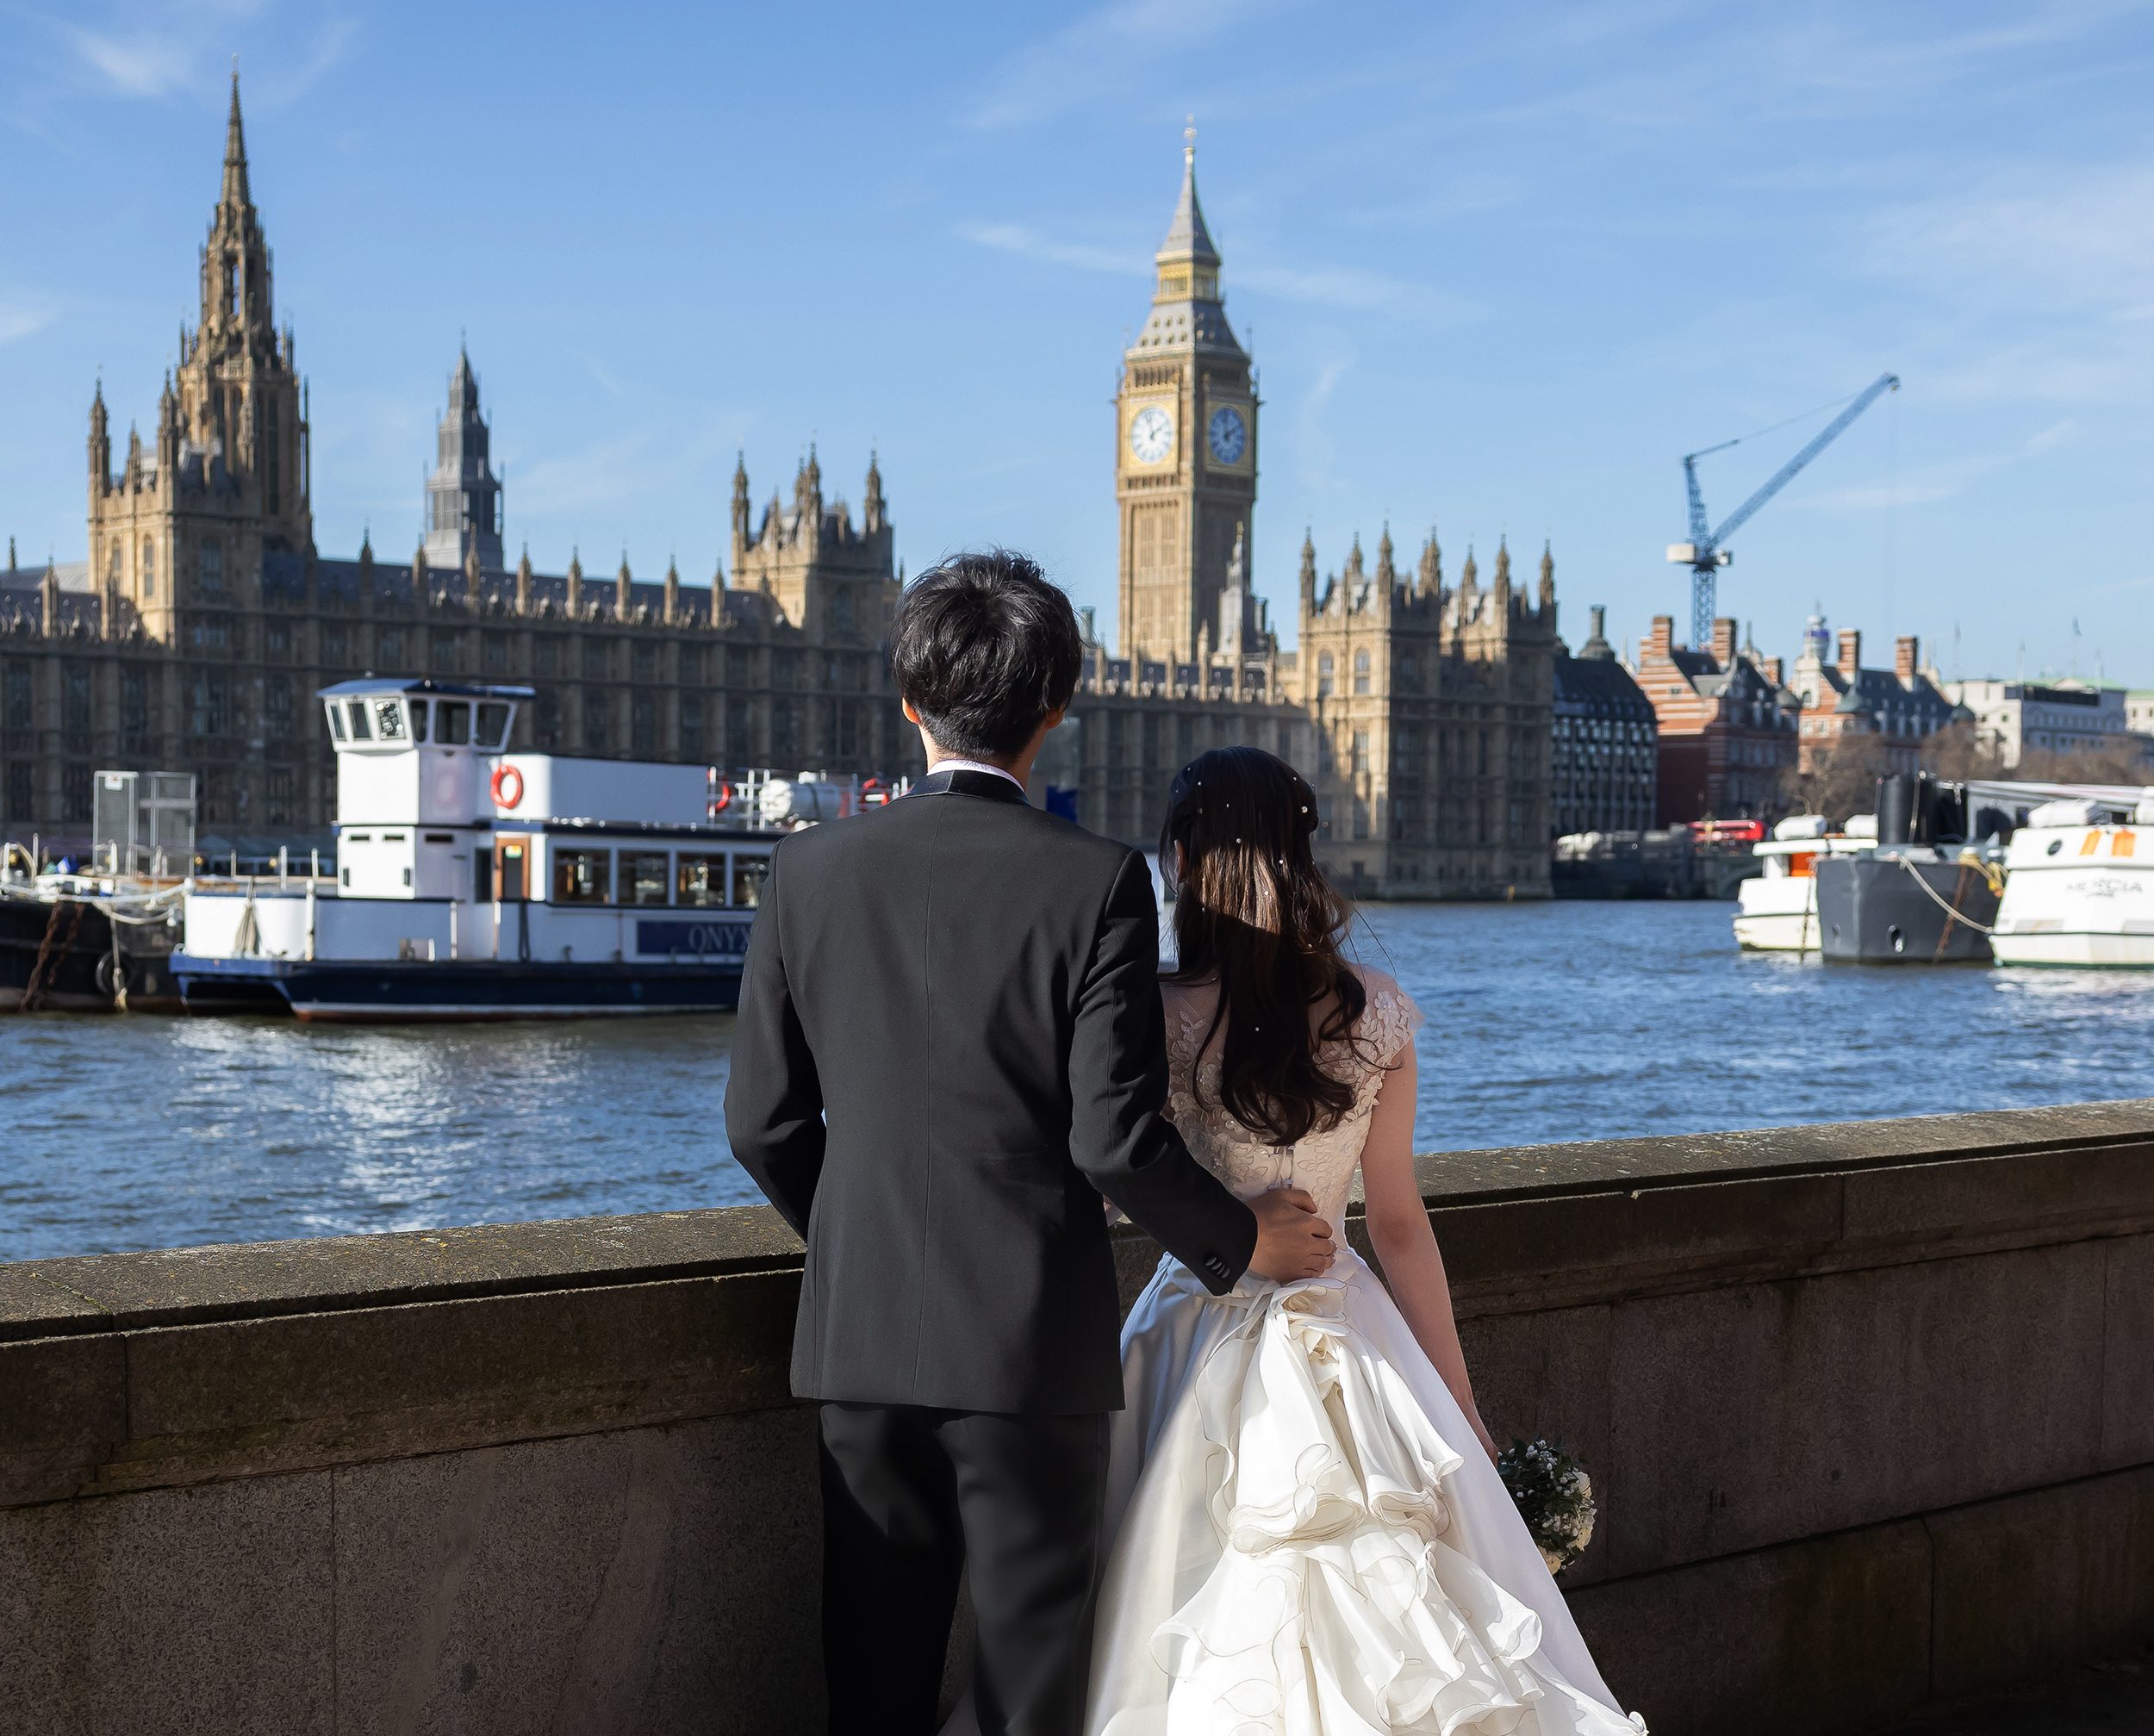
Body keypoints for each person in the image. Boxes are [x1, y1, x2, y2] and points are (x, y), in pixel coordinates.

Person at [724, 553, 1337, 1736]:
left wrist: (859, 1241)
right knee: (1026, 1688)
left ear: (910, 701)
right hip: (1026, 1348)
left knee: (873, 1682)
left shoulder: (804, 871)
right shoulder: (1096, 879)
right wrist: (1240, 1237)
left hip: (859, 1348)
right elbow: (1113, 1137)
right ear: (1055, 708)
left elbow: (762, 1122)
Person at [1085, 746, 1647, 1735]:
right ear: (1306, 856)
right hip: (1352, 1331)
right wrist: (1457, 1398)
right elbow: (1395, 1221)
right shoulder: (1371, 1008)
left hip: (1190, 1323)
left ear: (1179, 859)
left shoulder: (1155, 1014)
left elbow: (1123, 1180)